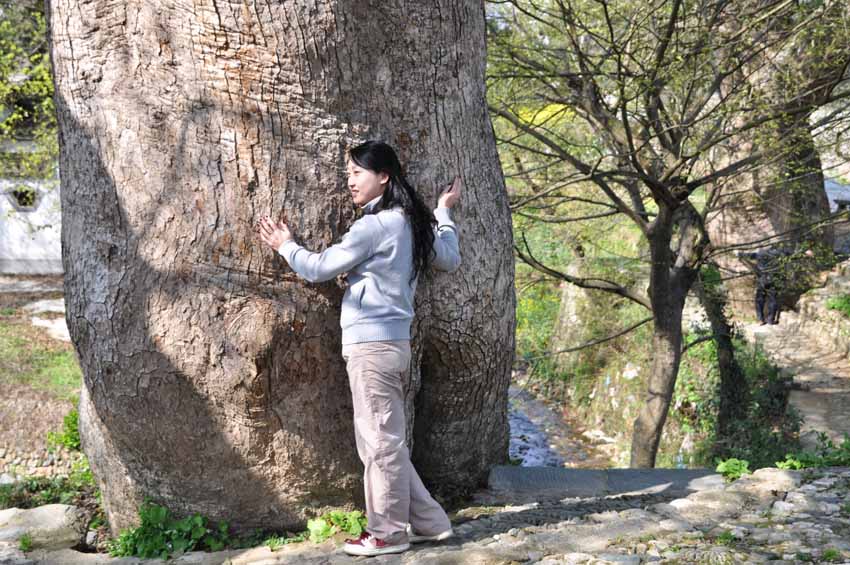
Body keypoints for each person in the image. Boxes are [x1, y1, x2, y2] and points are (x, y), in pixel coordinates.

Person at [255, 140, 461, 557]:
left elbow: (318, 267)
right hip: (393, 344)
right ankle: (430, 522)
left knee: (380, 442)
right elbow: (449, 258)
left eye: (357, 172)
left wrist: (285, 245)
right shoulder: (412, 223)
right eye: (348, 173)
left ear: (383, 176)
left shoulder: (375, 225)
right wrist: (443, 212)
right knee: (383, 440)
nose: (349, 180)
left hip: (371, 346)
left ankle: (386, 534)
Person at [738, 246, 814, 325]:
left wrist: (739, 254)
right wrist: (804, 252)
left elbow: (749, 255)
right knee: (773, 299)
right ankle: (770, 319)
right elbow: (793, 254)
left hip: (763, 279)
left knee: (759, 300)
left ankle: (760, 319)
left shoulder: (760, 254)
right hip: (775, 279)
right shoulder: (780, 252)